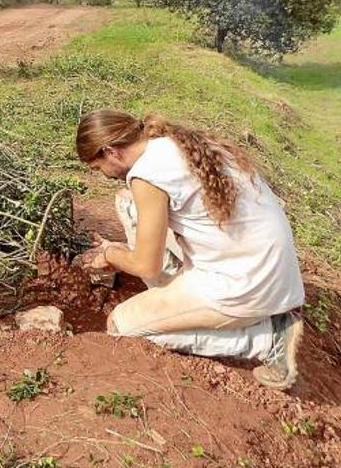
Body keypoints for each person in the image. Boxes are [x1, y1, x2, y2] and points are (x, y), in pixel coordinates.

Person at [76, 109, 305, 390]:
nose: (101, 175)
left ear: (111, 152)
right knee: (128, 203)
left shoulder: (146, 176)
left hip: (245, 286)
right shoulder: (172, 142)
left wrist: (110, 254)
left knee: (122, 327)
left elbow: (148, 267)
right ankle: (175, 298)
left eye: (97, 168)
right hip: (268, 267)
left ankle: (267, 339)